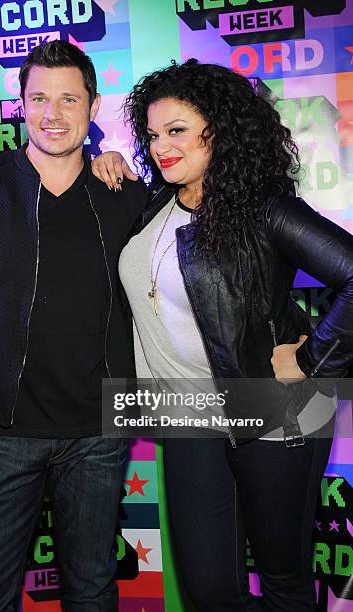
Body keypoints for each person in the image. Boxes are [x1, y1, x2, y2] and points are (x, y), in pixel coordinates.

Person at [92, 60, 353, 610]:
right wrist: (109, 160)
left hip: (274, 412)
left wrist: (312, 364)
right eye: (154, 134)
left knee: (284, 583)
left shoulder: (264, 208)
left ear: (221, 130)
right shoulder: (154, 204)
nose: (161, 146)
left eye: (178, 131)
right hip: (189, 418)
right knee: (208, 589)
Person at [0, 40, 147, 612]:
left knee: (92, 590)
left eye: (69, 99)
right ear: (19, 104)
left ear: (92, 108)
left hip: (100, 430)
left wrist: (113, 158)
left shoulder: (125, 196)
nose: (53, 113)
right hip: (3, 428)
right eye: (39, 97)